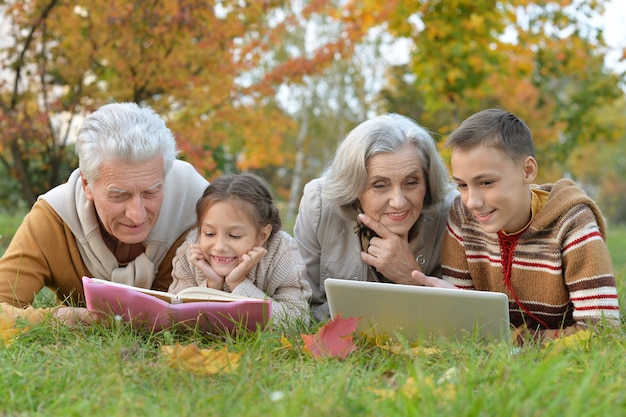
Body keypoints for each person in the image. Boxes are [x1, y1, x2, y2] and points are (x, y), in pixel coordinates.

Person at [411, 108, 621, 344]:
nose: (472, 201)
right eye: (462, 185)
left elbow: (602, 332)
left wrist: (513, 340)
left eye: (486, 182)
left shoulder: (572, 223)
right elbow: (462, 326)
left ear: (527, 170)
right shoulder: (462, 218)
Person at [0, 102, 208, 325]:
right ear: (87, 185)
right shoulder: (53, 219)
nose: (137, 215)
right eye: (119, 195)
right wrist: (52, 319)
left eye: (151, 192)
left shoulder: (203, 208)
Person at [294, 113, 458, 321]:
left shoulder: (453, 212)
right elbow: (302, 303)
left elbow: (461, 320)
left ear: (427, 180)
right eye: (380, 185)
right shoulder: (319, 203)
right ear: (354, 187)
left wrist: (412, 279)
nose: (398, 201)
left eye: (411, 182)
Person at [169, 173, 312, 327]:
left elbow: (297, 321)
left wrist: (239, 284)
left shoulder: (283, 254)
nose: (219, 247)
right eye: (209, 233)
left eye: (234, 235)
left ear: (262, 235)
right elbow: (172, 315)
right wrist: (211, 287)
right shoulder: (191, 252)